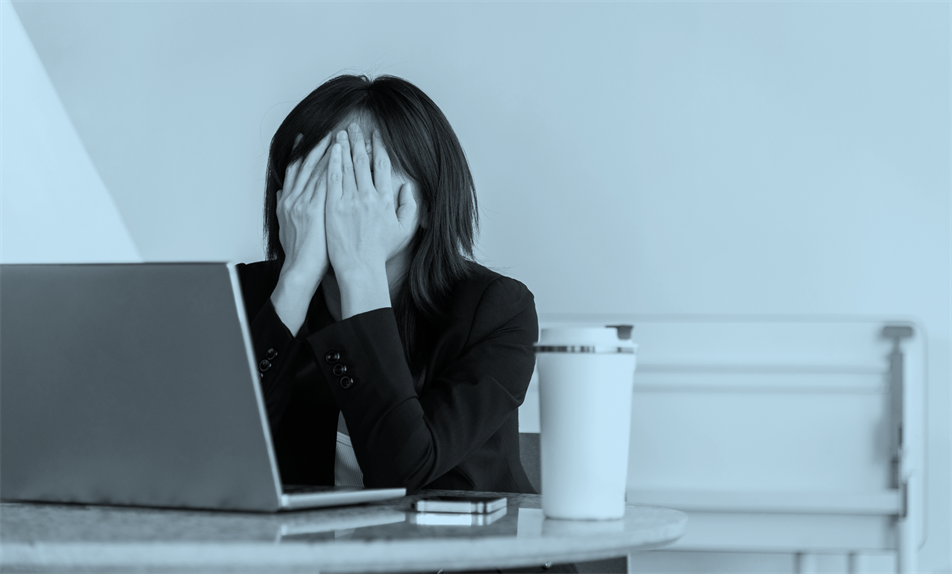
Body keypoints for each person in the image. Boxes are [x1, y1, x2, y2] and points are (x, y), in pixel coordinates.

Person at [237, 74, 577, 574]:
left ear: (423, 201)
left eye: (363, 174)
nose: (341, 199)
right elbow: (211, 465)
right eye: (320, 173)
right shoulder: (250, 296)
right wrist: (296, 280)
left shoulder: (495, 310)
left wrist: (360, 274)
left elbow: (404, 473)